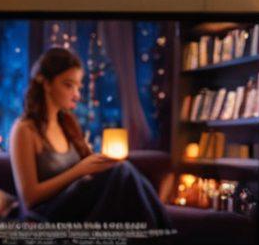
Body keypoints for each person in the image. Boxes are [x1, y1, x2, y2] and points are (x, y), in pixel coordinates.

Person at [9, 47, 170, 229]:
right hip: (48, 213)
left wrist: (97, 165)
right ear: (46, 84)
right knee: (121, 171)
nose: (77, 95)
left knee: (120, 171)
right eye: (68, 85)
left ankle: (159, 237)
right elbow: (29, 198)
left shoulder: (68, 125)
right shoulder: (25, 129)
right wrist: (79, 171)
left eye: (79, 87)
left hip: (78, 206)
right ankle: (163, 238)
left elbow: (88, 176)